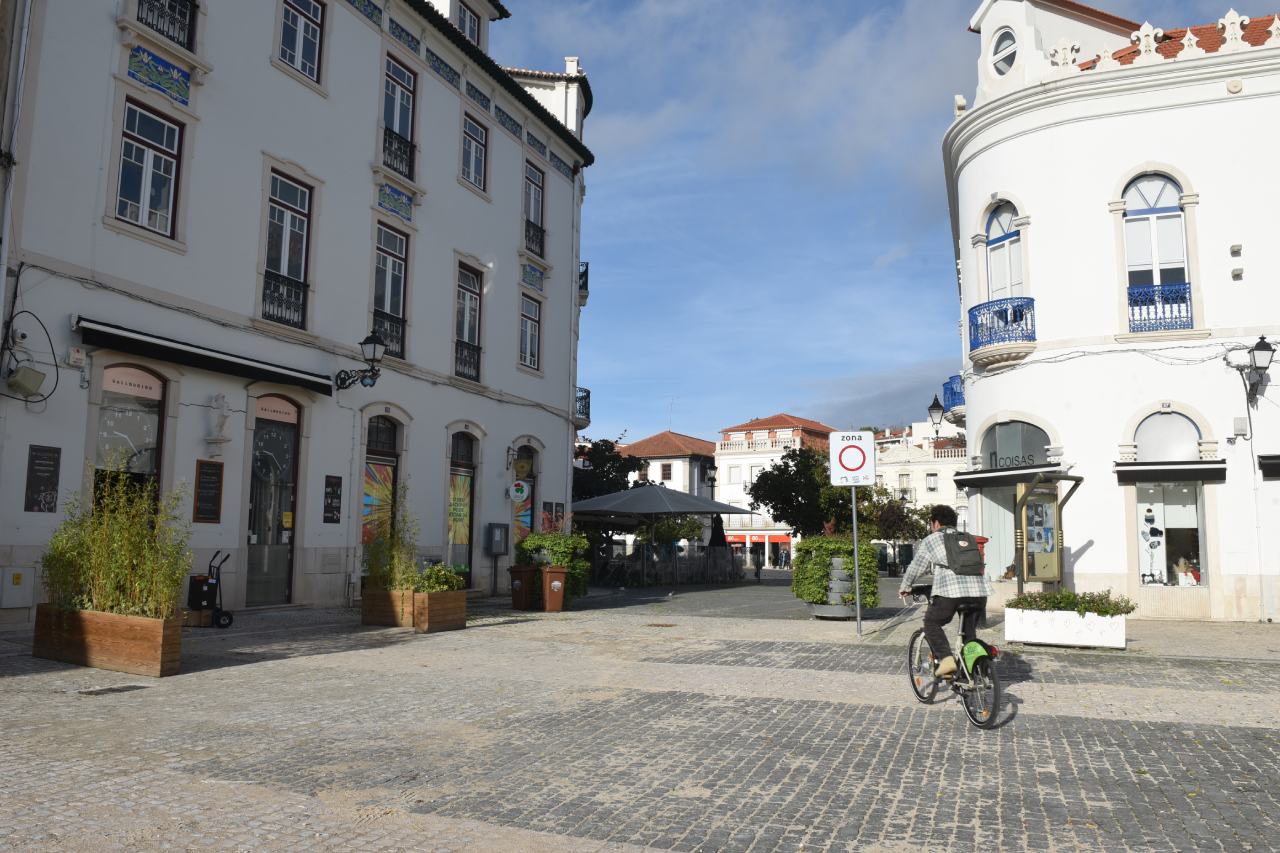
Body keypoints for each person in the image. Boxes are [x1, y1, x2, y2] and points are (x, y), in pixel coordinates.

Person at [898, 504, 993, 677]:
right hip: (979, 592)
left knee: (931, 623)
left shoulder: (932, 539)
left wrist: (905, 586)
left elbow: (917, 567)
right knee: (968, 633)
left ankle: (946, 659)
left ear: (936, 523)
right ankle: (970, 675)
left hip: (950, 593)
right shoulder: (967, 538)